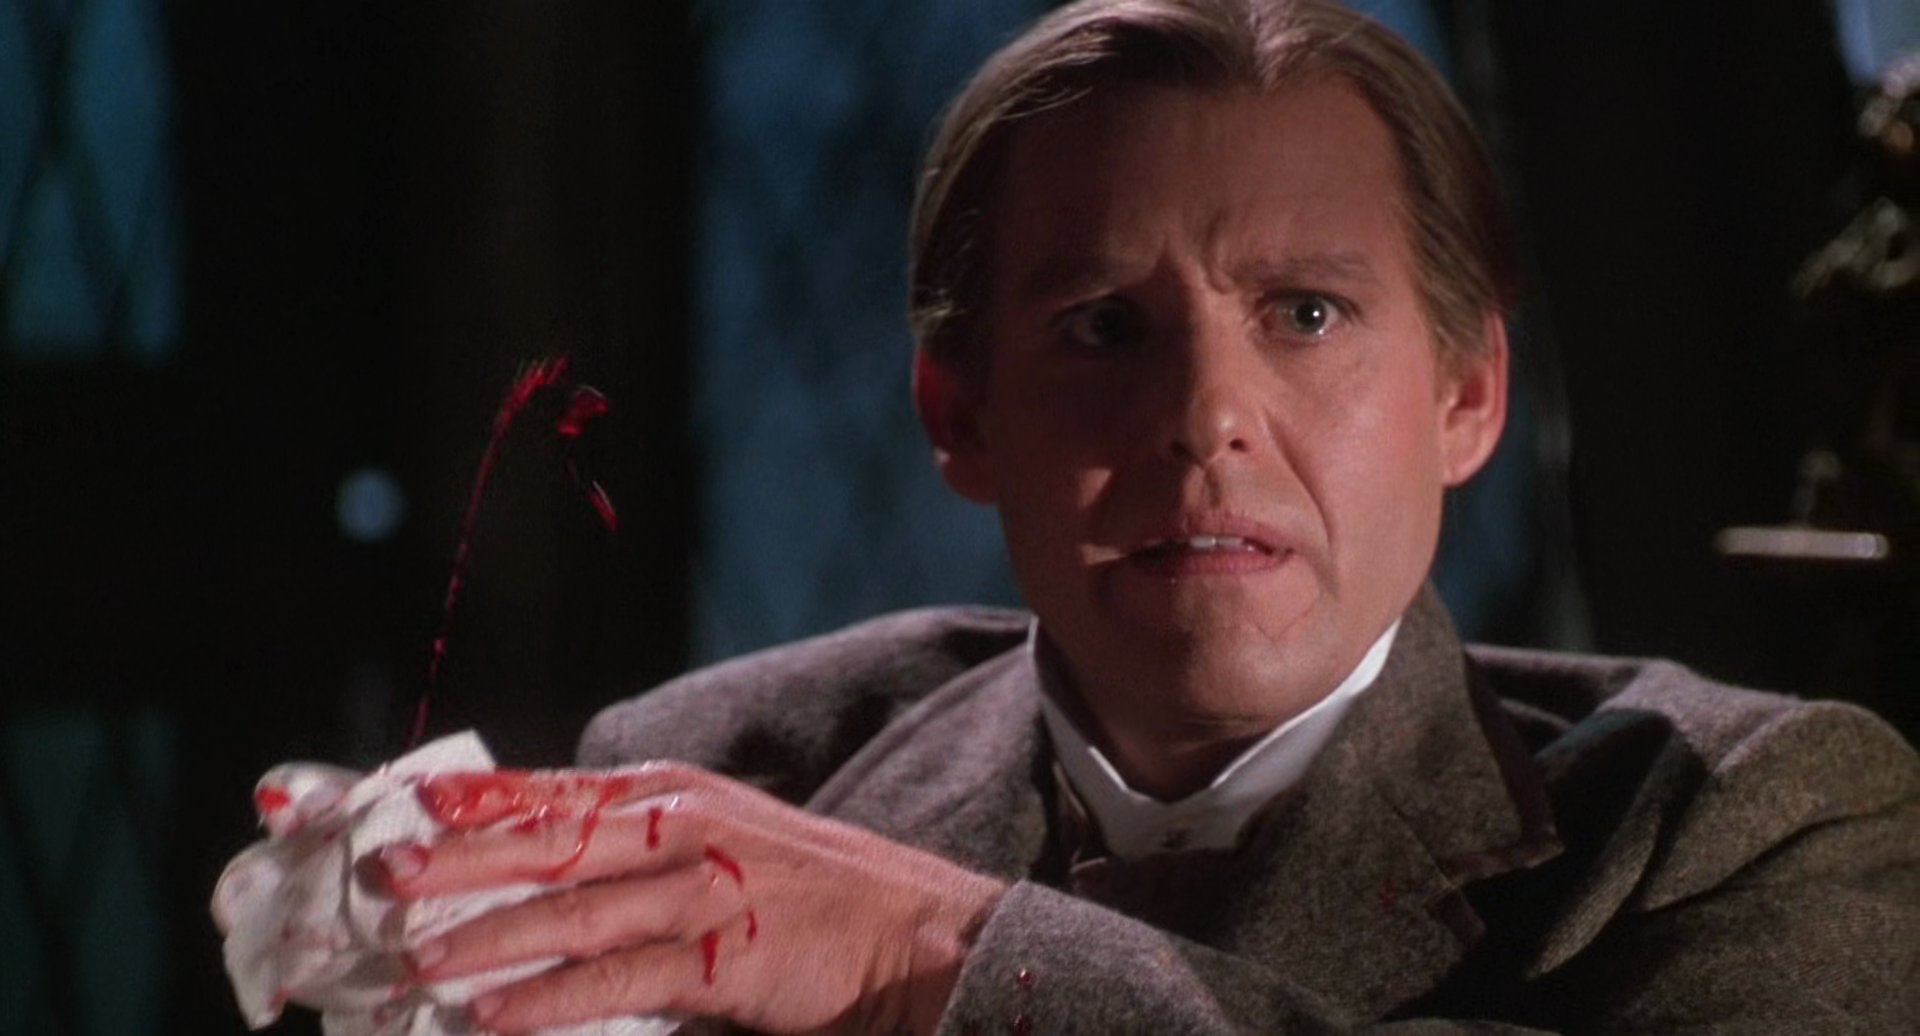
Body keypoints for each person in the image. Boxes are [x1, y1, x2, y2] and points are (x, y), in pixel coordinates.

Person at [375, 1, 1920, 1032]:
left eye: (1306, 313)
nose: (1204, 416)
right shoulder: (720, 767)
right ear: (958, 415)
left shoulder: (1751, 821)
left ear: (1467, 397)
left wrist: (932, 955)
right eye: (1105, 327)